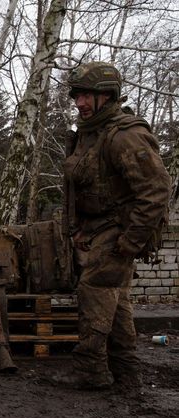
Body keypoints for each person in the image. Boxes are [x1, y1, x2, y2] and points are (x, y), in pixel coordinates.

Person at [55, 62, 171, 390]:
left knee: (94, 293)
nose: (79, 102)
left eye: (86, 96)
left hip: (118, 230)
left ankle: (90, 371)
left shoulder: (125, 134)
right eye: (76, 95)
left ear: (107, 95)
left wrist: (131, 240)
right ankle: (127, 374)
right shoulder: (89, 135)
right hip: (97, 229)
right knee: (115, 300)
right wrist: (79, 228)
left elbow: (157, 189)